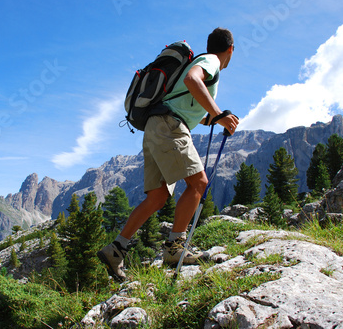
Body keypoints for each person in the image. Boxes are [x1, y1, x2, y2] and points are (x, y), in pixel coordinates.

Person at [97, 27, 239, 281]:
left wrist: (214, 120)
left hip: (156, 125)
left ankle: (115, 250)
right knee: (199, 182)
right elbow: (192, 81)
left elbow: (188, 106)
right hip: (168, 125)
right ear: (230, 49)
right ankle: (175, 249)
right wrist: (219, 114)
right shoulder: (212, 61)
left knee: (158, 196)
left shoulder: (200, 61)